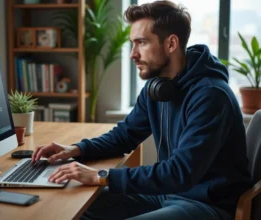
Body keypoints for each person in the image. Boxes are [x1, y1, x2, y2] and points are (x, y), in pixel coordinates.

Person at [31, 1, 252, 219]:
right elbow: (124, 136)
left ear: (171, 44)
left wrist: (100, 175)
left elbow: (180, 173)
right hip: (168, 195)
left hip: (207, 205)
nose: (133, 54)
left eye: (142, 43)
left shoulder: (211, 95)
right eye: (133, 44)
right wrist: (76, 149)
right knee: (78, 204)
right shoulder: (157, 89)